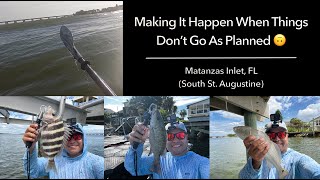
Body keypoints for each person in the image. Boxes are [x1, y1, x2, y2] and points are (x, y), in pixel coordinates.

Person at [124, 121, 209, 179]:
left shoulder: (200, 162)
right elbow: (133, 168)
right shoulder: (157, 160)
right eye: (170, 136)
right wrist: (136, 145)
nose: (175, 140)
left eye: (181, 135)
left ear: (187, 138)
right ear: (164, 140)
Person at [239, 122, 320, 179]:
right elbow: (242, 177)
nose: (277, 139)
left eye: (281, 134)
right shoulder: (257, 156)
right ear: (266, 137)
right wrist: (255, 162)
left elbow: (315, 172)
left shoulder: (298, 159)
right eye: (271, 135)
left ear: (287, 136)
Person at [22, 123, 104, 179]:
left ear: (83, 139)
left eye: (77, 136)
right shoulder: (53, 160)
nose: (72, 141)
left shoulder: (97, 162)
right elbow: (32, 171)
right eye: (67, 137)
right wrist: (31, 147)